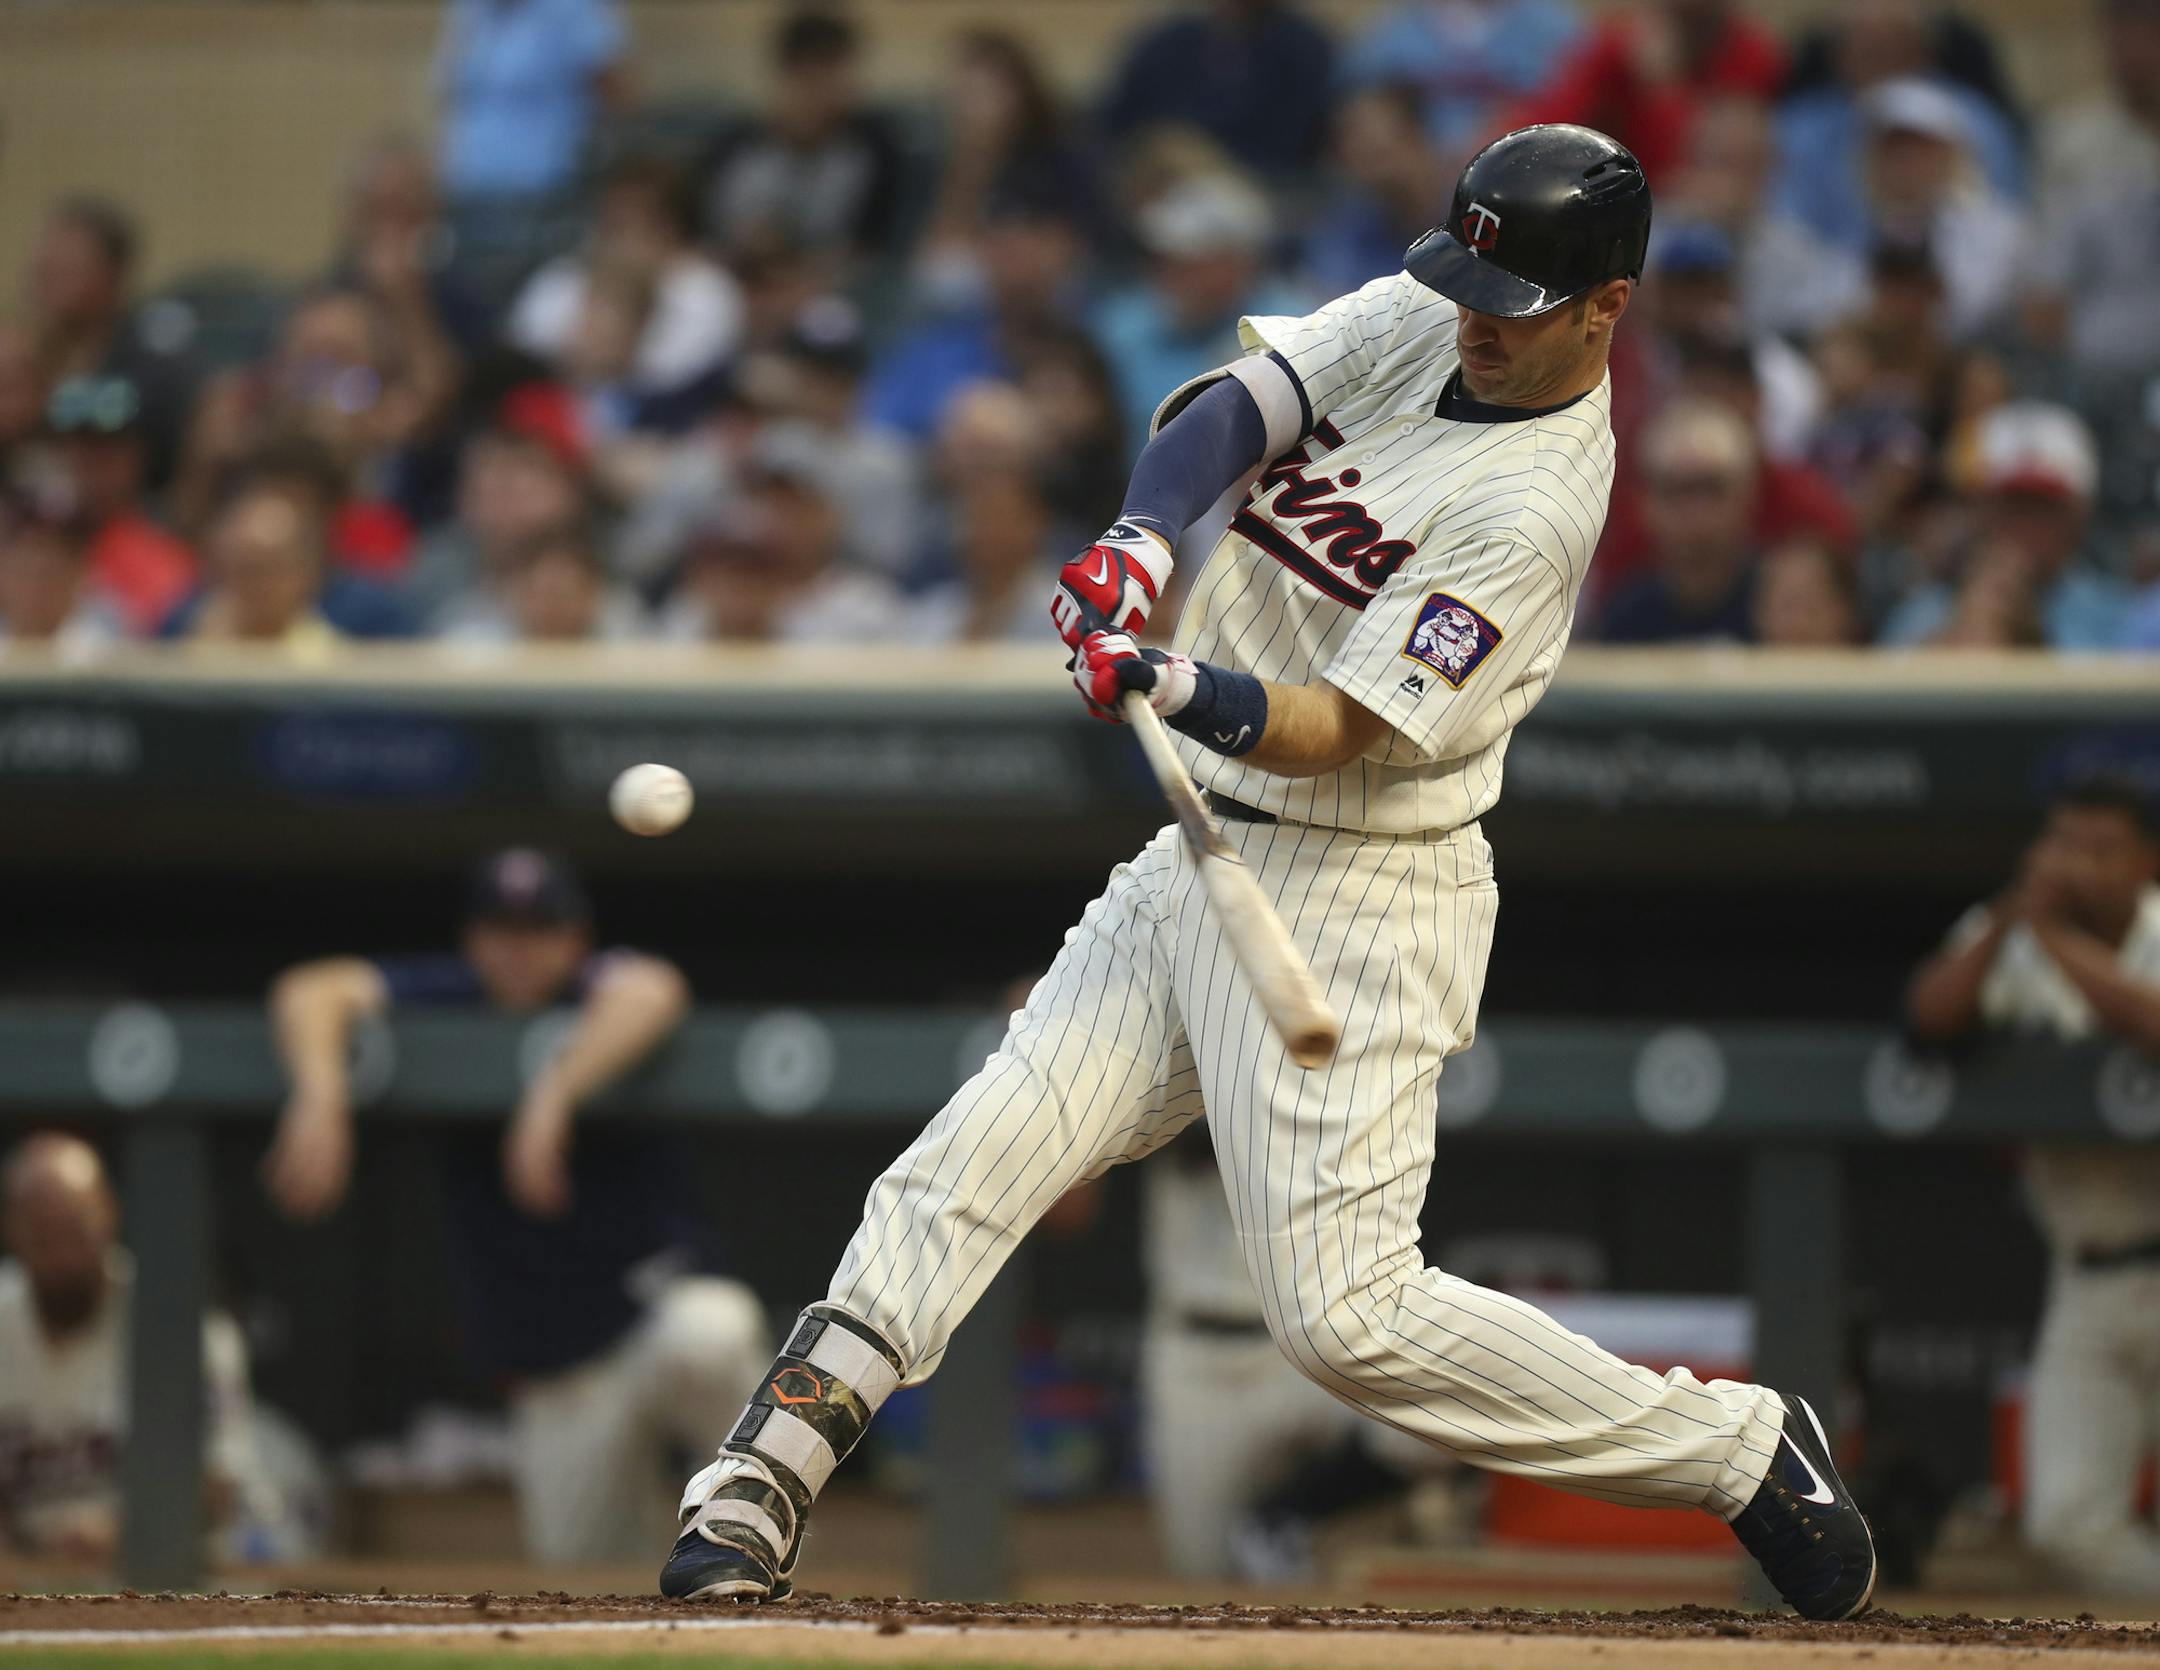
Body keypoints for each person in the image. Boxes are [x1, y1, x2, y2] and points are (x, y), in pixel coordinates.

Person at [659, 125, 1876, 1623]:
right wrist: (1135, 541)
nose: (1475, 323)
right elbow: (1236, 406)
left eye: (1516, 307)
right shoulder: (1438, 309)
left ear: (1606, 309)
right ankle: (757, 1480)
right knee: (981, 1149)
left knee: (1348, 1318)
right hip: (1203, 849)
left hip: (1366, 885)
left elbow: (1349, 727)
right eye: (1469, 285)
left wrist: (1181, 684)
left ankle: (1740, 1448)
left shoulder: (1538, 503)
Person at [262, 849, 766, 1563]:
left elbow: (655, 989)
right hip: (558, 1371)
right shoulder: (451, 995)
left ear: (576, 939)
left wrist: (553, 1094)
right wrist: (320, 1092)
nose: (520, 949)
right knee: (586, 1582)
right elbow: (310, 990)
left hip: (651, 1323)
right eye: (502, 928)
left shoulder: (598, 987)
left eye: (540, 928)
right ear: (472, 940)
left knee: (713, 1333)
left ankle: (760, 1534)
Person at [1903, 778, 2160, 1595]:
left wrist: (2049, 933)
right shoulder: (2020, 932)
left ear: (2145, 860)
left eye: (2100, 850)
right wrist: (2020, 911)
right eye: (2063, 846)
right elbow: (1928, 1016)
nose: (2077, 867)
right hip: (2086, 1278)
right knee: (2069, 1523)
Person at [0, 1134, 277, 1564]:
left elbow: (222, 1480)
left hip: (168, 1575)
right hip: (28, 1578)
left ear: (109, 1214)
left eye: (74, 1230)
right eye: (42, 1235)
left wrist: (126, 1530)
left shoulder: (177, 1321)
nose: (62, 1256)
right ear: (12, 1231)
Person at [1772, 0, 2025, 255]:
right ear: (1839, 55)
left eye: (1896, 47)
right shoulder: (1801, 130)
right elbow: (1786, 228)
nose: (1882, 59)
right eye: (1866, 49)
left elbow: (2003, 213)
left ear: (1924, 51)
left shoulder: (1975, 123)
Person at [1879, 403, 2130, 652]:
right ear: (1980, 512)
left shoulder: (2118, 620)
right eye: (2012, 507)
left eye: (2043, 509)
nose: (2025, 526)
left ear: (2077, 518)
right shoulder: (1921, 616)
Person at [1091, 170, 1305, 459]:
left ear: (1240, 260)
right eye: (1165, 258)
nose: (1171, 274)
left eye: (1192, 260)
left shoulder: (1294, 326)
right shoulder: (1124, 323)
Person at [510, 155, 744, 416]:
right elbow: (524, 357)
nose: (623, 231)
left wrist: (614, 360)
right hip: (557, 410)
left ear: (672, 225)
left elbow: (677, 377)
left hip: (666, 422)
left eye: (640, 218)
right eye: (614, 218)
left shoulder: (705, 289)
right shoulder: (563, 276)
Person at [20, 197, 201, 487]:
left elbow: (132, 413)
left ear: (113, 273)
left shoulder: (153, 344)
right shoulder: (36, 346)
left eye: (64, 269)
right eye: (42, 268)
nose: (45, 281)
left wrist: (39, 404)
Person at [2023, 0, 2160, 382]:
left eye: (2150, 30)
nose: (2135, 48)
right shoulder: (2071, 139)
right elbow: (2044, 287)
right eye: (2121, 30)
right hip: (2098, 369)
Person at [703, 10, 904, 269]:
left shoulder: (874, 147)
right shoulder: (734, 149)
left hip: (830, 290)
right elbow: (709, 243)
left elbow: (870, 251)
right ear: (790, 76)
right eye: (816, 78)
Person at [1504, 0, 1786, 185]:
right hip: (1624, 203)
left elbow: (1715, 162)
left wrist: (1663, 87)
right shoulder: (1617, 46)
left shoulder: (1753, 55)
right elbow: (1545, 134)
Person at [1098, 0, 1337, 181]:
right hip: (1155, 188)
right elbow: (1110, 127)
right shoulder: (1167, 43)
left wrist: (1205, 163)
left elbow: (1296, 152)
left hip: (1262, 195)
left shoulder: (1304, 51)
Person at [43, 372, 197, 636]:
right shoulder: (29, 546)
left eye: (107, 448)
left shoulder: (163, 560)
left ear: (137, 455)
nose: (91, 463)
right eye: (80, 445)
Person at [435, 0, 627, 207]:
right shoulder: (471, 10)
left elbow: (614, 91)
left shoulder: (573, 9)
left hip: (546, 195)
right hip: (470, 192)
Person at [1598, 401, 1762, 643]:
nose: (1696, 511)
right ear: (1646, 503)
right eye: (1675, 490)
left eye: (1712, 488)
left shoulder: (1779, 609)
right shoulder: (1623, 620)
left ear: (1748, 495)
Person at [1339, 0, 1582, 153]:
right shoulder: (1399, 26)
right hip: (1415, 180)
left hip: (1514, 172)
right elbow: (1362, 98)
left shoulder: (1549, 25)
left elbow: (1567, 108)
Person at [1303, 84, 1461, 297]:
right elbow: (1328, 300)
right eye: (1350, 139)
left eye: (1378, 148)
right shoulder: (1349, 226)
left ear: (1417, 136)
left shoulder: (1471, 216)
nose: (1355, 146)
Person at [0, 506, 123, 654]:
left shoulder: (104, 647)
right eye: (23, 571)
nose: (34, 588)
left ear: (75, 577)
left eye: (46, 574)